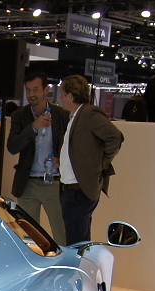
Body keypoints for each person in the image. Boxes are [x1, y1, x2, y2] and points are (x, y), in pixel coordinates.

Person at [57, 75, 123, 245]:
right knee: (76, 240)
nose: (60, 98)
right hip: (72, 189)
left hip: (79, 191)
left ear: (70, 96)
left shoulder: (89, 114)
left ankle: (80, 264)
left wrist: (101, 164)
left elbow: (115, 137)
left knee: (77, 243)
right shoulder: (76, 116)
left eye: (62, 94)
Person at [7, 71, 69, 241]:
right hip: (28, 183)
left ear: (46, 90)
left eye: (36, 89)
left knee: (61, 234)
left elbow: (71, 147)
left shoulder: (61, 115)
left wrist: (60, 161)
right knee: (30, 237)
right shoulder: (20, 115)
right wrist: (33, 127)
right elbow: (12, 147)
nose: (31, 94)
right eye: (28, 90)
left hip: (54, 183)